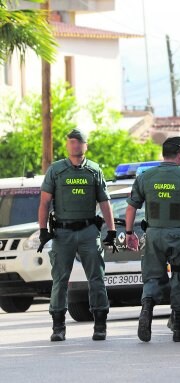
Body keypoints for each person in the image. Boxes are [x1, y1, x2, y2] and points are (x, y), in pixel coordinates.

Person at [124, 136, 180, 342]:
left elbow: (131, 208)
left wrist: (129, 234)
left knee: (152, 277)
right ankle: (179, 328)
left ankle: (147, 308)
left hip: (154, 235)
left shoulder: (146, 177)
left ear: (164, 154)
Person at [37, 128, 117, 342]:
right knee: (60, 279)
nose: (75, 145)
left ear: (85, 145)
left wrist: (111, 230)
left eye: (79, 142)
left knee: (97, 277)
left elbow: (105, 202)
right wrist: (43, 230)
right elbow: (44, 202)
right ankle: (58, 326)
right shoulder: (56, 170)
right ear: (67, 145)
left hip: (89, 231)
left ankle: (100, 324)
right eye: (71, 142)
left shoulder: (94, 170)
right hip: (63, 233)